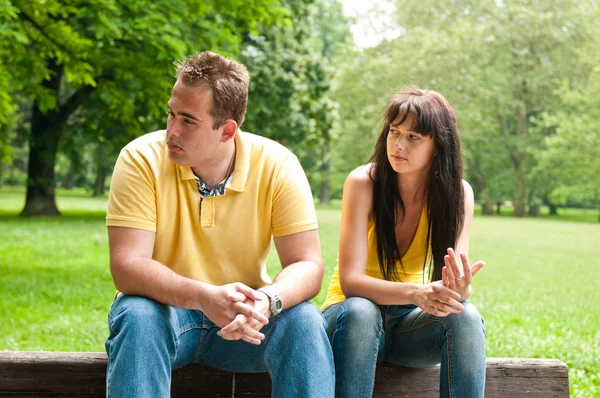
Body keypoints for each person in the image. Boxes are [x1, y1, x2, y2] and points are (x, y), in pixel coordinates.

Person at [105, 51, 334, 397]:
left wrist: (267, 300)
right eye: (170, 113)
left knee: (303, 322)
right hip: (163, 317)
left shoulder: (278, 164)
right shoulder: (140, 159)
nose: (171, 130)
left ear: (227, 130)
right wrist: (205, 297)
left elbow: (308, 264)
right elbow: (127, 266)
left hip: (245, 323)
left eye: (188, 120)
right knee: (136, 315)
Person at [321, 88, 486, 398]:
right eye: (394, 131)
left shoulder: (457, 194)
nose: (398, 144)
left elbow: (454, 285)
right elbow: (351, 282)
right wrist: (417, 292)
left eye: (413, 137)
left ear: (438, 146)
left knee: (465, 315)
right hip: (348, 320)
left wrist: (459, 289)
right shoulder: (363, 183)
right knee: (361, 311)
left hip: (408, 325)